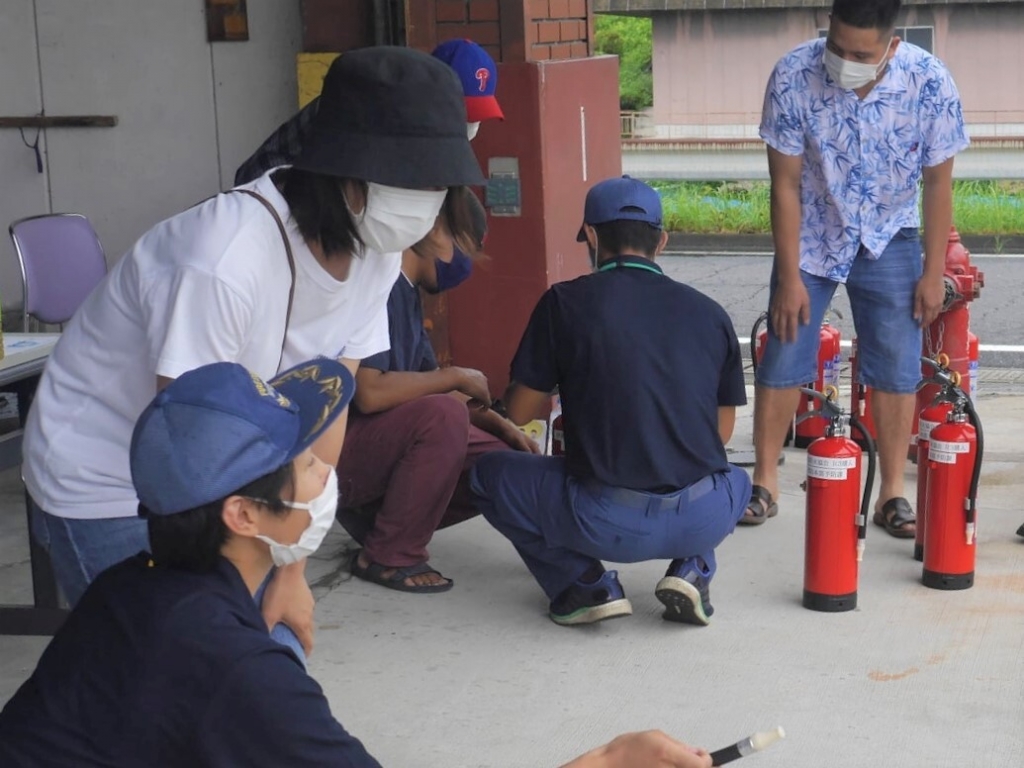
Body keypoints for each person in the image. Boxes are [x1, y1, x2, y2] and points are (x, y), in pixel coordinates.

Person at [0, 360, 713, 768]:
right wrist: (610, 761)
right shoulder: (235, 669)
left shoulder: (133, 589)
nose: (326, 475)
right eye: (308, 464)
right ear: (243, 515)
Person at [21, 46, 484, 661]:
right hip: (110, 482)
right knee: (188, 667)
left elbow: (329, 404)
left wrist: (291, 567)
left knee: (265, 656)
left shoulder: (375, 252)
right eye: (415, 180)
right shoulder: (224, 261)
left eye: (438, 183)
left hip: (227, 473)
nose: (428, 201)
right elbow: (189, 459)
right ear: (346, 171)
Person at [469, 176, 751, 627]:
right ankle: (693, 570)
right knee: (733, 479)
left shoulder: (564, 304)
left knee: (487, 476)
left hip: (604, 521)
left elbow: (520, 413)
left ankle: (584, 584)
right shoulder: (711, 312)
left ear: (593, 238)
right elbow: (719, 435)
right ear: (662, 241)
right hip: (702, 516)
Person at [744, 0, 969, 536]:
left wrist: (933, 271)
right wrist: (790, 275)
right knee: (784, 348)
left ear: (892, 45)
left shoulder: (929, 81)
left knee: (895, 363)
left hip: (892, 233)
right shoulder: (793, 74)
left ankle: (892, 491)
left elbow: (939, 184)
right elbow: (785, 185)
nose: (844, 60)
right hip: (813, 235)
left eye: (860, 53)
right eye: (836, 47)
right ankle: (765, 479)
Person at [339, 191, 540, 594]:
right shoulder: (381, 286)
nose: (463, 263)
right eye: (461, 246)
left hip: (375, 448)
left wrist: (502, 426)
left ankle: (381, 522)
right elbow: (370, 393)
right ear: (431, 230)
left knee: (499, 458)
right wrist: (456, 377)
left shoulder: (407, 293)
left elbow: (427, 382)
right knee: (443, 419)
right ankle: (389, 553)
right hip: (333, 452)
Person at [234, 38, 503, 186]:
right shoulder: (366, 105)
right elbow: (256, 174)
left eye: (476, 115)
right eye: (462, 112)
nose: (469, 124)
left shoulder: (425, 133)